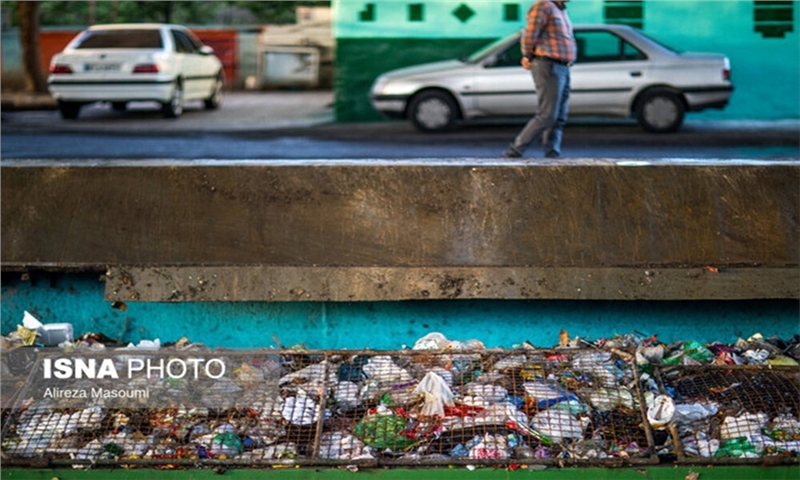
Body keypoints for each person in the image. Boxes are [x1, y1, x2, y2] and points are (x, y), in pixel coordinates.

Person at [503, 0, 577, 158]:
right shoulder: (543, 5)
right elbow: (529, 33)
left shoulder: (561, 9)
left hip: (563, 66)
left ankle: (552, 154)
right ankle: (514, 151)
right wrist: (527, 55)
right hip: (548, 64)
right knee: (547, 115)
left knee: (559, 117)